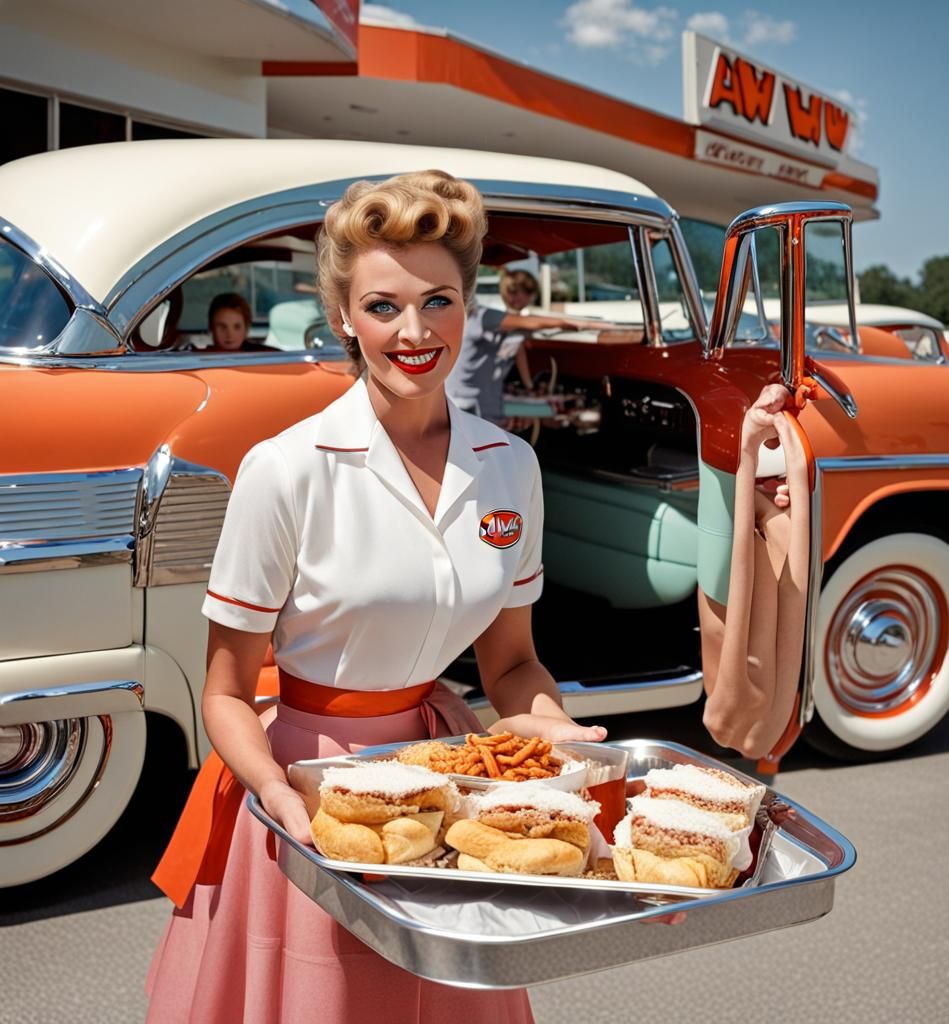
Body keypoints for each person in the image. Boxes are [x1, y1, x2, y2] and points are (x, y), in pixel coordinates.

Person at [145, 170, 607, 1024]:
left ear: (469, 307)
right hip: (312, 795)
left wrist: (548, 728)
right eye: (384, 307)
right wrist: (282, 801)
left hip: (447, 787)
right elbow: (224, 692)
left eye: (439, 301)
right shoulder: (284, 470)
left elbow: (511, 663)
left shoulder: (511, 466)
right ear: (345, 320)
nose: (415, 331)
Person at [448, 269, 589, 426]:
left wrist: (529, 385)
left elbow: (517, 349)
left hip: (485, 396)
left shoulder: (507, 321)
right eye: (513, 291)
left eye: (526, 292)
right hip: (467, 398)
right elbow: (522, 336)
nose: (519, 297)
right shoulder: (492, 317)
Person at [206, 291, 278, 352]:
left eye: (237, 327)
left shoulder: (267, 356)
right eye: (222, 327)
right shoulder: (199, 359)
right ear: (211, 328)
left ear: (246, 329)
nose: (230, 335)